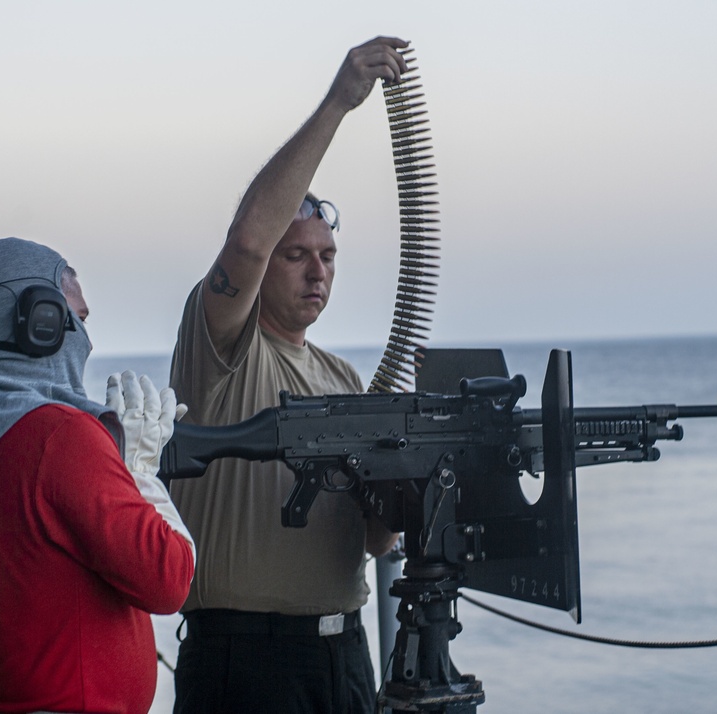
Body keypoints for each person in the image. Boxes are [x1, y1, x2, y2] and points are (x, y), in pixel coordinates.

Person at [168, 36, 408, 713]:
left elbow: (371, 538)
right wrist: (338, 104)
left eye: (328, 256)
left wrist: (410, 481)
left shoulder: (341, 376)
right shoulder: (221, 345)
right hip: (244, 658)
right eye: (296, 254)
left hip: (343, 654)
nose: (317, 270)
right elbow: (245, 241)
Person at [0, 237, 196, 714]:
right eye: (79, 319)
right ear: (41, 323)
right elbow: (170, 579)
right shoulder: (62, 436)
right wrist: (139, 473)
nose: (87, 341)